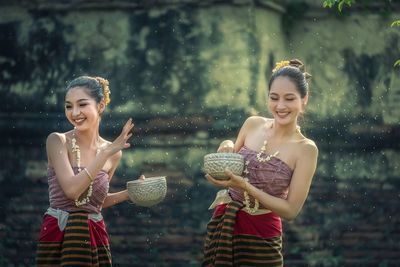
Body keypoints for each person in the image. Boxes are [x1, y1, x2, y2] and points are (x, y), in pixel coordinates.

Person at [203, 59, 318, 267]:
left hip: (262, 233)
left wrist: (245, 186)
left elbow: (291, 211)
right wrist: (226, 143)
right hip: (224, 221)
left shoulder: (306, 149)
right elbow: (229, 166)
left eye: (289, 99)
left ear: (304, 99)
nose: (280, 106)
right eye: (274, 98)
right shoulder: (252, 124)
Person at [35, 76, 138, 266]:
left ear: (100, 106)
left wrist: (129, 193)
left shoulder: (113, 154)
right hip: (60, 233)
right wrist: (104, 154)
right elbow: (72, 191)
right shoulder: (58, 141)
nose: (74, 113)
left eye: (82, 105)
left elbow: (93, 201)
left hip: (94, 234)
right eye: (68, 106)